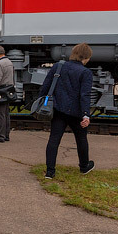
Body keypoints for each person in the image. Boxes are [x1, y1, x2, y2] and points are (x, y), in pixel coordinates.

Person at [38, 43, 97, 179]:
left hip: (58, 109)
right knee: (81, 138)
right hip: (76, 112)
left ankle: (50, 172)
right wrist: (86, 115)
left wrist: (42, 102)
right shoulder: (85, 72)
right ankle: (84, 166)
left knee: (54, 139)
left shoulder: (58, 66)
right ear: (86, 57)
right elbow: (85, 95)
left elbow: (45, 87)